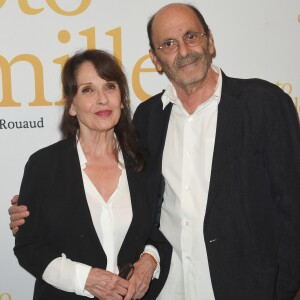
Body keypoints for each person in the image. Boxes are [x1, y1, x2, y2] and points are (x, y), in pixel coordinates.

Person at [9, 3, 300, 300]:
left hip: (245, 289)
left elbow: (292, 206)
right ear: (155, 58)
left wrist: (284, 289)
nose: (184, 51)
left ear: (209, 41)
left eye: (191, 36)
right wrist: (33, 209)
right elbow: (156, 215)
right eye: (169, 44)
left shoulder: (264, 104)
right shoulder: (150, 119)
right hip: (167, 290)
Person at [11, 49, 171, 300]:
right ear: (72, 106)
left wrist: (150, 259)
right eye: (88, 89)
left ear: (121, 98)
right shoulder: (43, 165)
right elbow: (28, 247)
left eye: (109, 87)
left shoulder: (144, 163)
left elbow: (160, 229)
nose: (102, 99)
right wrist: (84, 279)